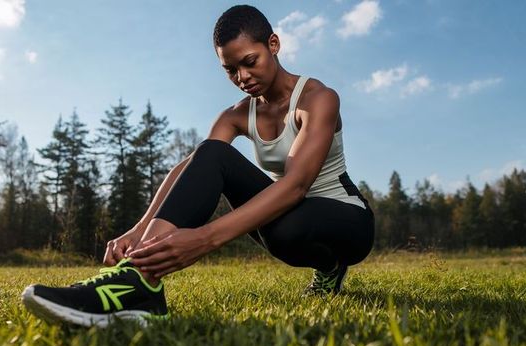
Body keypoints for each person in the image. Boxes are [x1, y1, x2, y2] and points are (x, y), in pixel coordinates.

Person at [21, 4, 375, 328]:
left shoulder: (317, 98)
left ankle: (332, 265)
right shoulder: (237, 115)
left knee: (290, 224)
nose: (243, 77)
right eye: (231, 69)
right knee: (212, 153)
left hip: (347, 219)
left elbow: (297, 185)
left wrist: (204, 239)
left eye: (250, 61)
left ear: (273, 44)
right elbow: (195, 165)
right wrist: (139, 231)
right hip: (289, 224)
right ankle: (137, 281)